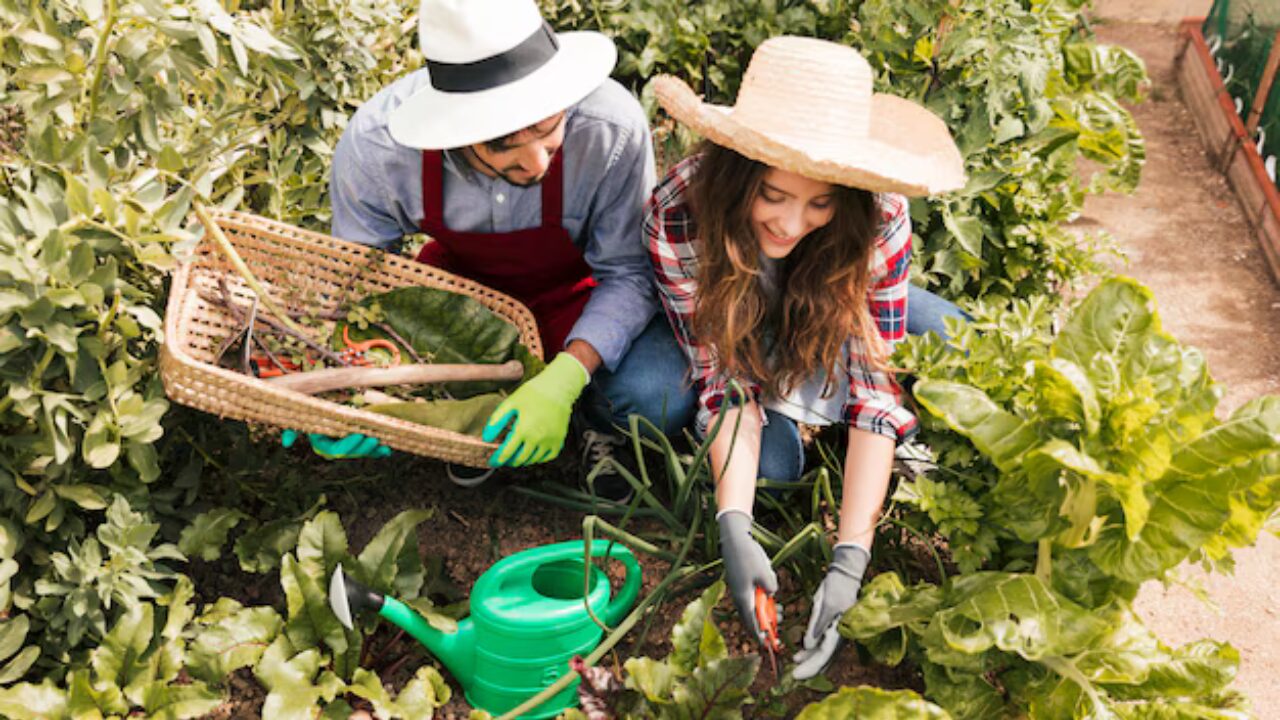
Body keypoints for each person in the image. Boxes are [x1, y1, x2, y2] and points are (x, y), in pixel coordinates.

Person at [645, 36, 966, 678]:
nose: (792, 225)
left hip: (823, 317)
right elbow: (725, 381)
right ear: (737, 175)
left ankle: (841, 430)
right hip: (737, 321)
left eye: (820, 203)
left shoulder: (878, 214)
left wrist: (851, 559)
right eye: (773, 196)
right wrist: (734, 523)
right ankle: (795, 423)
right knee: (771, 469)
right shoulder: (681, 209)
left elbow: (875, 390)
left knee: (950, 338)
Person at [293, 0, 695, 492]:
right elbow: (358, 285)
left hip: (580, 297)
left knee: (657, 395)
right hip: (460, 308)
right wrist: (348, 391)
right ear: (453, 130)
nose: (537, 163)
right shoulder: (378, 150)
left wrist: (566, 378)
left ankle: (590, 419)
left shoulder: (610, 128)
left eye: (547, 129)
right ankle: (473, 417)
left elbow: (629, 273)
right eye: (502, 145)